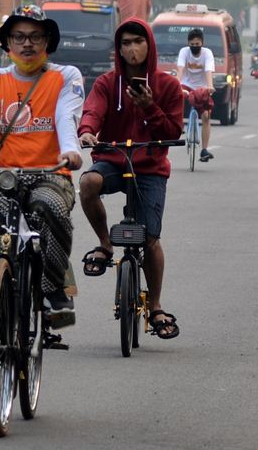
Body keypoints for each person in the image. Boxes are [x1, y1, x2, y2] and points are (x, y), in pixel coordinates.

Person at [0, 4, 84, 393]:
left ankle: (54, 292)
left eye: (35, 37)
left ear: (48, 42)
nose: (27, 44)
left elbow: (66, 117)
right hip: (5, 179)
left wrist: (71, 151)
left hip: (51, 174)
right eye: (19, 37)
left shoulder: (65, 77)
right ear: (7, 42)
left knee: (49, 208)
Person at [78, 17, 183, 340]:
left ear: (149, 45)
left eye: (138, 42)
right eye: (125, 43)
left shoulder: (168, 86)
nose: (131, 49)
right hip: (113, 159)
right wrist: (87, 132)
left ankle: (155, 306)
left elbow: (173, 131)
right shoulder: (108, 83)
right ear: (118, 49)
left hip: (150, 167)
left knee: (150, 240)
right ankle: (105, 245)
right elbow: (92, 111)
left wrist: (150, 107)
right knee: (87, 183)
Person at [176, 28, 216, 162]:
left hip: (202, 87)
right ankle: (178, 124)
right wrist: (177, 84)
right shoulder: (184, 52)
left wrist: (209, 86)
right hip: (186, 84)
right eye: (192, 45)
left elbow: (208, 71)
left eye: (197, 45)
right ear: (188, 44)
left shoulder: (207, 53)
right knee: (177, 97)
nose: (194, 47)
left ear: (202, 44)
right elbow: (180, 70)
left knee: (205, 116)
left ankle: (204, 149)